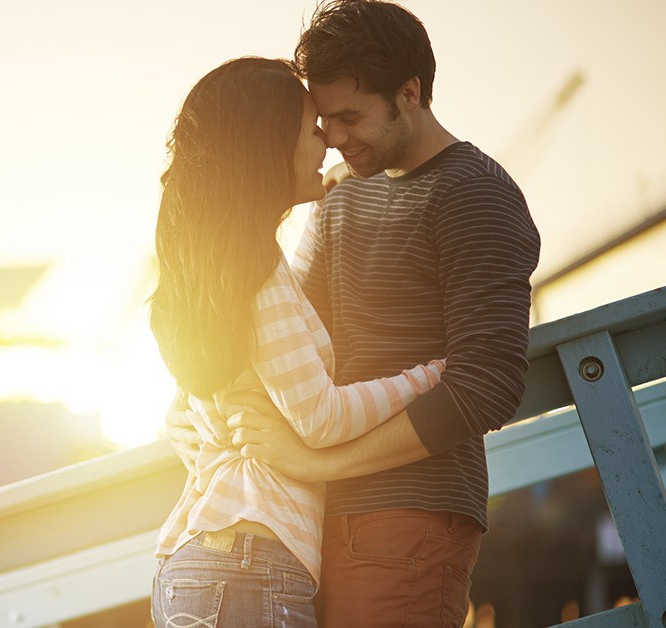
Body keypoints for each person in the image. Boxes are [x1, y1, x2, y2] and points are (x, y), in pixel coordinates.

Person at [167, 2, 542, 626]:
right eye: (324, 119)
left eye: (350, 117)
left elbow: (487, 384)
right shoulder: (341, 190)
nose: (335, 138)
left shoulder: (475, 194)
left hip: (410, 518)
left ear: (411, 92)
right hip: (309, 522)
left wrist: (318, 461)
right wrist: (194, 406)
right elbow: (283, 335)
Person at [148, 56, 448, 628]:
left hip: (196, 564)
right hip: (247, 564)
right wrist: (434, 373)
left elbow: (191, 415)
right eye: (312, 129)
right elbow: (320, 417)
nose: (328, 143)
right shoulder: (260, 273)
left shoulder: (211, 273)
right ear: (269, 147)